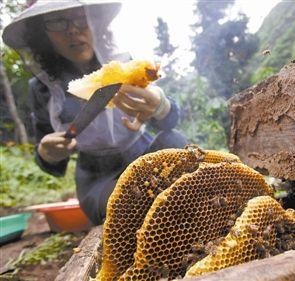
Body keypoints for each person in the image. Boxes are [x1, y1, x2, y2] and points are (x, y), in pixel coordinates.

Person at [2, 0, 188, 225]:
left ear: (96, 21)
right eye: (57, 22)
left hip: (145, 153)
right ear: (42, 34)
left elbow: (171, 121)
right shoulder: (41, 89)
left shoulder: (125, 65)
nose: (72, 29)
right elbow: (53, 164)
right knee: (121, 203)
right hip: (98, 179)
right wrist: (46, 153)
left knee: (176, 142)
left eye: (81, 18)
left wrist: (161, 106)